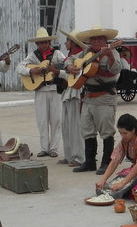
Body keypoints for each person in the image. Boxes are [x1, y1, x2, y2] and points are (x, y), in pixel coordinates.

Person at [65, 25, 122, 175]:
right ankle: (90, 162)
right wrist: (69, 67)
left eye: (99, 38)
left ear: (105, 40)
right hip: (88, 96)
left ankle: (106, 163)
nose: (96, 41)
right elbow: (70, 59)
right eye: (93, 39)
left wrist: (109, 56)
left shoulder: (113, 52)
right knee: (87, 129)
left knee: (106, 131)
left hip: (105, 97)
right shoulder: (85, 52)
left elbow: (116, 69)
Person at [16, 27, 67, 158]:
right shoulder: (33, 56)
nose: (43, 45)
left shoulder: (57, 54)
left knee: (56, 120)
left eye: (45, 42)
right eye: (40, 43)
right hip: (40, 89)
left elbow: (66, 65)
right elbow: (19, 67)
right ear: (37, 44)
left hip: (55, 89)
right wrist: (31, 71)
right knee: (42, 121)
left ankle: (54, 148)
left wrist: (56, 69)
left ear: (49, 42)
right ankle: (44, 148)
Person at [58, 29, 86, 167]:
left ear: (74, 43)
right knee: (66, 125)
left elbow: (78, 75)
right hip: (68, 91)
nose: (65, 43)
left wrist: (57, 72)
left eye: (68, 40)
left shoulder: (81, 57)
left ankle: (79, 157)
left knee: (75, 126)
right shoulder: (70, 57)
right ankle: (69, 156)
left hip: (76, 91)